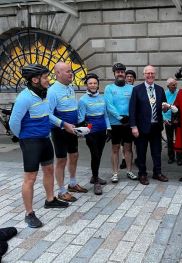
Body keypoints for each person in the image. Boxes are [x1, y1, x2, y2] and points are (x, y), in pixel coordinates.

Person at [9, 64, 68, 228]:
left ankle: (50, 200)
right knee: (30, 178)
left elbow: (47, 114)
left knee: (48, 169)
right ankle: (29, 214)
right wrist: (24, 137)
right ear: (35, 80)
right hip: (31, 142)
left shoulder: (45, 94)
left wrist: (63, 124)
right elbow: (13, 122)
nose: (48, 80)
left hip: (44, 138)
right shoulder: (24, 98)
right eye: (45, 77)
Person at [48, 61, 87, 202]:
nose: (71, 73)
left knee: (75, 155)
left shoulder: (70, 87)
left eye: (71, 71)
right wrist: (64, 125)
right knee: (61, 160)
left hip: (72, 129)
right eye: (67, 71)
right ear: (58, 73)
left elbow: (72, 107)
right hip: (59, 131)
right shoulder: (52, 91)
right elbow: (48, 114)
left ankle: (72, 183)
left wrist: (81, 124)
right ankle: (61, 191)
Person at [129, 65, 169, 185]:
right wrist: (133, 126)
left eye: (152, 73)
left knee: (157, 152)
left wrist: (166, 109)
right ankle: (142, 174)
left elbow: (164, 107)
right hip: (141, 128)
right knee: (141, 152)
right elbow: (132, 110)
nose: (150, 75)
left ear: (155, 75)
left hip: (156, 127)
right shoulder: (137, 90)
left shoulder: (160, 89)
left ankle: (157, 173)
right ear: (144, 75)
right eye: (148, 73)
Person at [78, 73, 110, 195]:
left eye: (95, 83)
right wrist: (85, 132)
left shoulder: (102, 98)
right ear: (87, 84)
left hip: (102, 130)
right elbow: (81, 119)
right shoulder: (82, 100)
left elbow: (106, 115)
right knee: (95, 154)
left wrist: (109, 129)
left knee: (99, 154)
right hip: (91, 132)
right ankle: (96, 181)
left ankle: (94, 176)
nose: (93, 85)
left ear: (98, 85)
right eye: (90, 83)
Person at [105, 63, 137, 183]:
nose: (120, 73)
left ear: (124, 74)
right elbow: (109, 105)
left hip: (128, 123)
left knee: (128, 148)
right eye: (118, 72)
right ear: (114, 74)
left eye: (122, 72)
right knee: (115, 148)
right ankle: (115, 173)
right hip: (115, 123)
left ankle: (129, 171)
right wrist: (119, 117)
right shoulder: (109, 88)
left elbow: (134, 105)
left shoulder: (132, 88)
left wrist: (129, 118)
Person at [163, 77, 182, 165]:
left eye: (175, 85)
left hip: (177, 119)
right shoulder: (165, 94)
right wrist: (164, 119)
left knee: (179, 139)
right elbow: (162, 107)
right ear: (168, 86)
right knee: (170, 139)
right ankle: (171, 157)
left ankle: (179, 158)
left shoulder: (180, 92)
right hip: (168, 119)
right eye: (173, 85)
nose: (175, 86)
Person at [120, 69, 137, 169]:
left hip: (134, 119)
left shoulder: (136, 89)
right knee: (124, 142)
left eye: (131, 77)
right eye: (128, 76)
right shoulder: (121, 89)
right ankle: (123, 159)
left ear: (134, 79)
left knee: (136, 141)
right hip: (124, 120)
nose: (129, 78)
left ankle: (137, 158)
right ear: (125, 78)